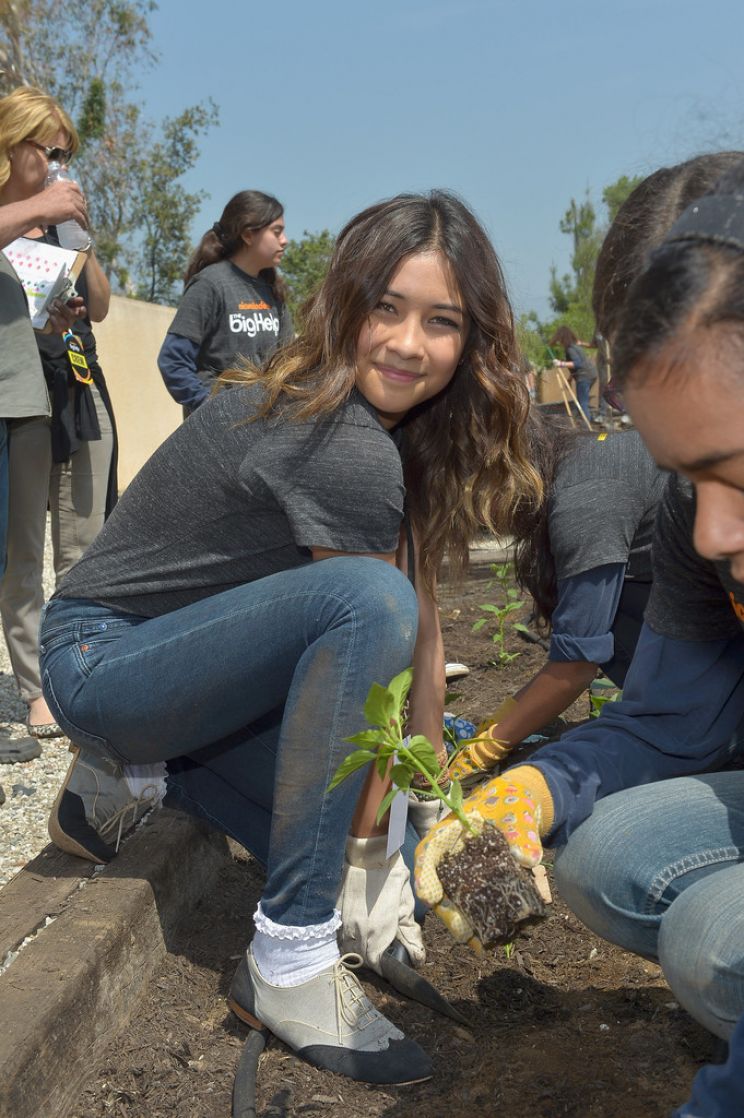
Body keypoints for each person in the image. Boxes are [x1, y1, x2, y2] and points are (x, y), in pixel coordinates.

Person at [39, 190, 541, 1085]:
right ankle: (289, 962)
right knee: (357, 633)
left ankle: (115, 789)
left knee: (309, 826)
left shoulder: (390, 433)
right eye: (386, 307)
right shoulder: (337, 436)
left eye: (441, 322)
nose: (406, 343)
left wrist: (424, 799)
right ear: (345, 300)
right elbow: (372, 630)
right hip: (105, 662)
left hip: (172, 671)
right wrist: (366, 862)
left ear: (473, 343)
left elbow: (419, 611)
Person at [416, 151, 744, 1118]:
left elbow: (576, 661)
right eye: (689, 474)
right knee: (606, 855)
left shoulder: (593, 501)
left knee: (710, 943)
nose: (712, 530)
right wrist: (529, 788)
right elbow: (666, 722)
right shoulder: (697, 517)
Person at [448, 418, 666, 787]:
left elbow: (576, 665)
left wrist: (481, 750)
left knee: (606, 612)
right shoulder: (585, 455)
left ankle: (690, 722)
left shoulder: (585, 499)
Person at [0, 86, 116, 740]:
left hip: (70, 378)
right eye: (51, 152)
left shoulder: (56, 219)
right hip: (17, 394)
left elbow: (95, 306)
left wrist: (78, 238)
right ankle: (33, 685)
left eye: (67, 156)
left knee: (84, 539)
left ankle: (82, 667)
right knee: (23, 549)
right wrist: (36, 207)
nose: (60, 167)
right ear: (15, 144)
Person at [157, 191, 294, 415]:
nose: (285, 240)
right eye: (276, 232)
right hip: (217, 435)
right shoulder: (210, 284)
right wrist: (210, 409)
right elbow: (173, 361)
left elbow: (288, 364)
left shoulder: (274, 291)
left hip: (263, 430)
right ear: (248, 235)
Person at [550, 325, 597, 421]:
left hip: (584, 376)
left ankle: (587, 427)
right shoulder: (576, 346)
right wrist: (570, 379)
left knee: (582, 403)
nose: (560, 343)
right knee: (582, 402)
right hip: (591, 374)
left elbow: (578, 363)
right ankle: (589, 420)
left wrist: (561, 363)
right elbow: (578, 365)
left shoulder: (570, 349)